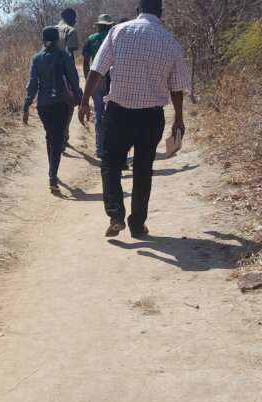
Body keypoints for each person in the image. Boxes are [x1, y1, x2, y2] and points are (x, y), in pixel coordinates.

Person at [78, 0, 192, 238]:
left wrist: (84, 101)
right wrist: (178, 118)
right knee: (143, 169)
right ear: (161, 13)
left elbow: (96, 69)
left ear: (137, 10)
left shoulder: (119, 31)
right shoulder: (170, 41)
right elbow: (178, 86)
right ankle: (137, 225)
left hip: (119, 113)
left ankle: (116, 216)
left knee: (110, 164)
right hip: (152, 117)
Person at [23, 26, 82, 193]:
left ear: (43, 39)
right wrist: (81, 98)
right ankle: (52, 175)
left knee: (50, 137)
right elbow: (73, 79)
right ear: (57, 39)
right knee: (56, 140)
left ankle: (52, 173)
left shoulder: (36, 58)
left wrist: (26, 105)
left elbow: (32, 84)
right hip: (60, 103)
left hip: (43, 105)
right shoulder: (64, 56)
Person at [82, 14, 114, 158]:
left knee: (98, 113)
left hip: (95, 76)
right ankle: (110, 146)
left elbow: (85, 61)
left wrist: (88, 78)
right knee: (111, 113)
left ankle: (99, 147)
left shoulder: (91, 39)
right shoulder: (114, 36)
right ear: (109, 25)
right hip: (112, 76)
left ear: (99, 25)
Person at [56, 8, 80, 146]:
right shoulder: (70, 31)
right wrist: (73, 79)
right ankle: (64, 134)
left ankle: (56, 134)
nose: (75, 21)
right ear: (69, 17)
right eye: (74, 17)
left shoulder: (51, 30)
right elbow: (70, 54)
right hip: (65, 72)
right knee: (70, 104)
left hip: (51, 72)